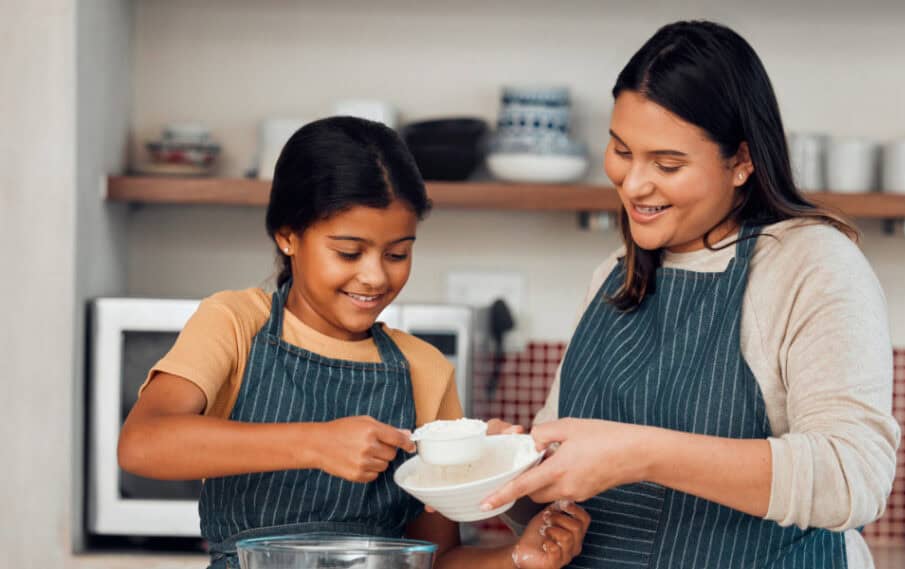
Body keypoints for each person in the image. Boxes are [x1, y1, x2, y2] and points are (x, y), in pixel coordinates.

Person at [482, 21, 899, 569]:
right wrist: (512, 469)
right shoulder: (614, 273)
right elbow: (564, 496)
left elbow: (853, 477)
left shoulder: (811, 264)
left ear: (741, 161)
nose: (633, 184)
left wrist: (641, 455)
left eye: (667, 164)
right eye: (621, 150)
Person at [118, 116, 590, 569]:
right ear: (288, 235)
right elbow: (144, 443)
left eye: (397, 253)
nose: (375, 276)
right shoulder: (236, 323)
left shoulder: (423, 368)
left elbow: (437, 558)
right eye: (349, 252)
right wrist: (315, 443)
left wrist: (516, 557)